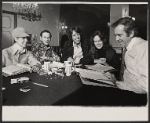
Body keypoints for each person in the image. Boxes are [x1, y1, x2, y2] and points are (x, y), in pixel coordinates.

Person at [111, 17, 148, 94]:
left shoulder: (143, 47)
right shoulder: (128, 48)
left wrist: (126, 86)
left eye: (119, 35)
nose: (116, 39)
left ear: (131, 33)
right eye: (115, 35)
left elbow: (146, 84)